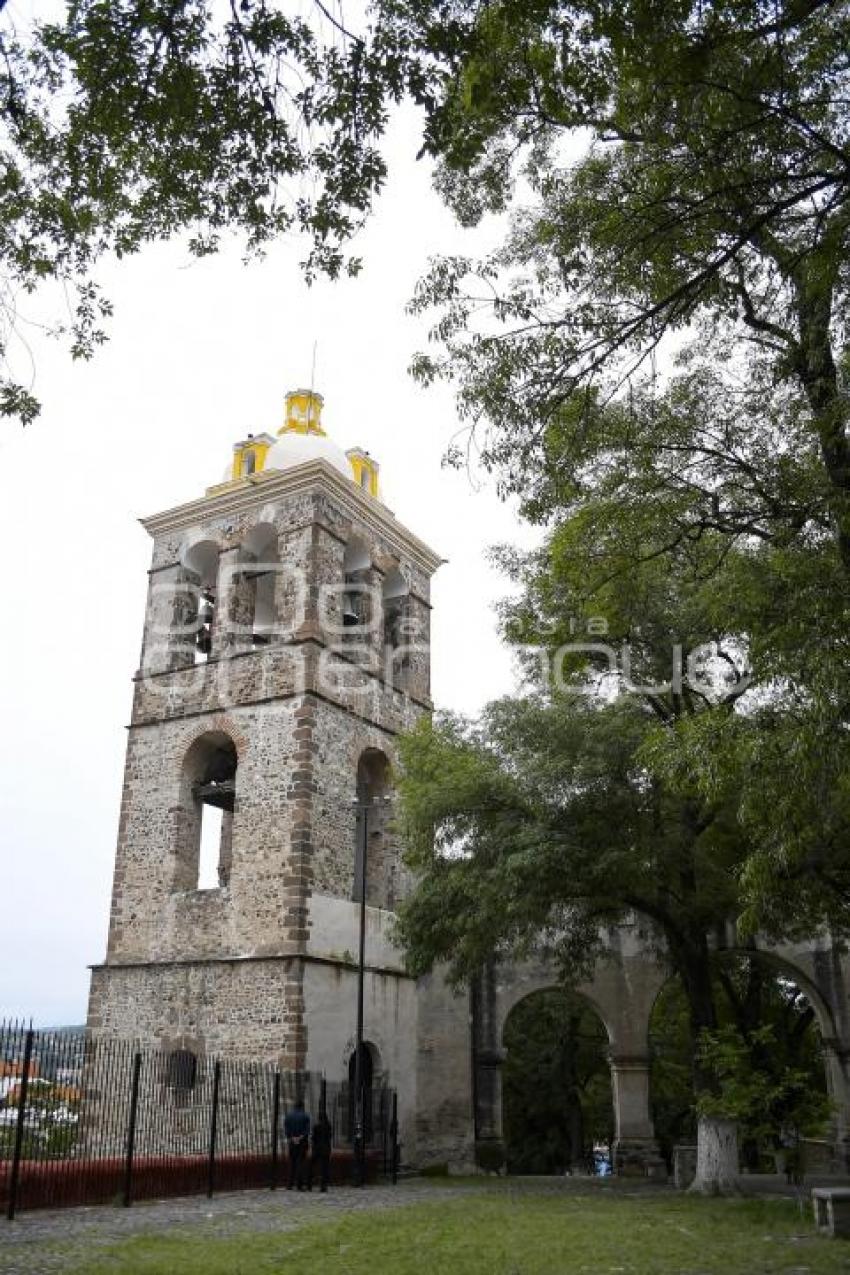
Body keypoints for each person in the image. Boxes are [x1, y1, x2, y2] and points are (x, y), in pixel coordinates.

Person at [284, 1099, 311, 1191]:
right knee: (301, 1163)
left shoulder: (288, 1116)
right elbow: (307, 1131)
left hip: (292, 1142)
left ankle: (290, 1184)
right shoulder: (305, 1116)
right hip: (302, 1142)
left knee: (292, 1162)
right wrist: (299, 1138)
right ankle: (299, 1184)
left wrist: (292, 1138)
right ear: (302, 1106)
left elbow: (286, 1129)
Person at [311, 1109, 333, 1192]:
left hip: (317, 1148)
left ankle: (310, 1183)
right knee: (325, 1167)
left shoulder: (316, 1126)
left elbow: (313, 1138)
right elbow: (330, 1136)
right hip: (326, 1148)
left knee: (313, 1165)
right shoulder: (328, 1126)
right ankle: (324, 1185)